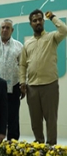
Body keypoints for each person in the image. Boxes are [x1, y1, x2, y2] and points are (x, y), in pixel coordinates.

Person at [20, 10, 67, 145]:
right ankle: (39, 144)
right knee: (35, 120)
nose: (38, 22)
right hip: (32, 87)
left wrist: (52, 17)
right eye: (34, 20)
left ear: (43, 21)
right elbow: (23, 65)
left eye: (40, 19)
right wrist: (22, 82)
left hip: (49, 84)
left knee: (51, 118)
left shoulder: (52, 37)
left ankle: (51, 146)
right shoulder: (27, 43)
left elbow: (64, 30)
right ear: (31, 24)